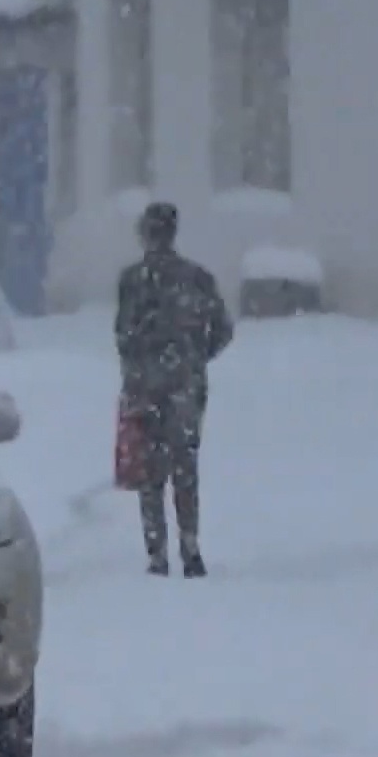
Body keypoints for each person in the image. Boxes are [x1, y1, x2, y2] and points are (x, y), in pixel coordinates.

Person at [115, 202, 233, 577]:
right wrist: (195, 357)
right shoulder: (198, 279)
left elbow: (123, 336)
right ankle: (190, 546)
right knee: (185, 466)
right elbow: (223, 330)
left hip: (145, 387)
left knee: (150, 472)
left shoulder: (132, 280)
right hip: (186, 386)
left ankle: (157, 552)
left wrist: (141, 366)